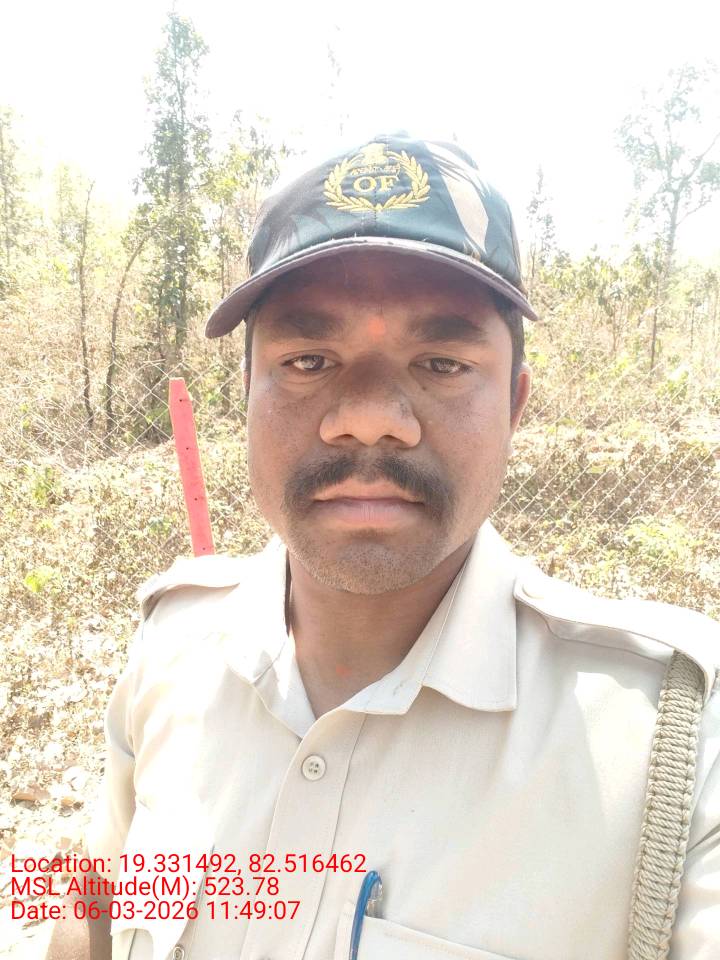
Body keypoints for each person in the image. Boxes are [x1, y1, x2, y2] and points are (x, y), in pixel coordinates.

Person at [47, 135, 719, 960]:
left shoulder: (675, 739)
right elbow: (95, 912)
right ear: (246, 394)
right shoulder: (172, 647)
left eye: (441, 362)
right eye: (309, 360)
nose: (369, 417)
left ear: (515, 406)